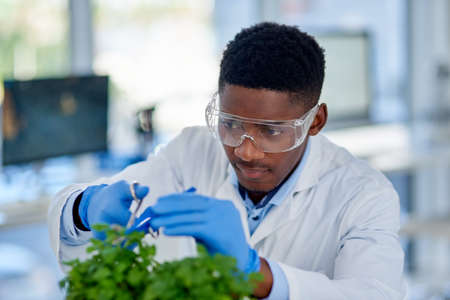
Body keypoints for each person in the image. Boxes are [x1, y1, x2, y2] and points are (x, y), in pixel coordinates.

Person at [48, 22, 406, 299]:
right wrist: (86, 208)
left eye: (271, 131)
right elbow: (79, 215)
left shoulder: (364, 195)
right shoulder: (192, 150)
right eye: (231, 125)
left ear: (315, 121)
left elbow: (374, 294)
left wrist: (256, 273)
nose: (245, 151)